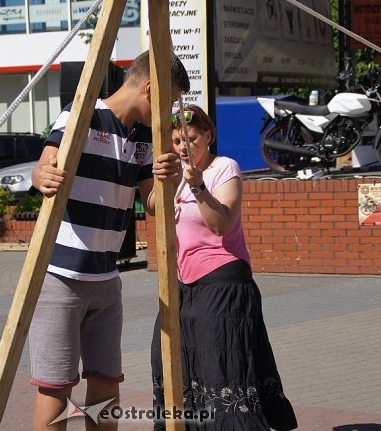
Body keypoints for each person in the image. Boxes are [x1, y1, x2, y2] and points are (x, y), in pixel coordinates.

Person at [29, 50, 190, 431]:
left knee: (105, 385)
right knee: (56, 387)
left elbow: (152, 204)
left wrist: (170, 181)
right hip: (60, 277)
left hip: (106, 280)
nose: (169, 116)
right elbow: (45, 164)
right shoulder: (83, 113)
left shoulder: (145, 139)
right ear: (151, 89)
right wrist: (40, 176)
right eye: (170, 104)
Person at [150, 104, 298, 430]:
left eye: (191, 139)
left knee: (220, 368)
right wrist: (163, 179)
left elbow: (221, 224)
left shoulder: (224, 168)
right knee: (175, 362)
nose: (184, 148)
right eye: (176, 141)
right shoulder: (175, 173)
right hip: (182, 284)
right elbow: (151, 208)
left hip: (222, 280)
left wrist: (198, 187)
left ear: (208, 136)